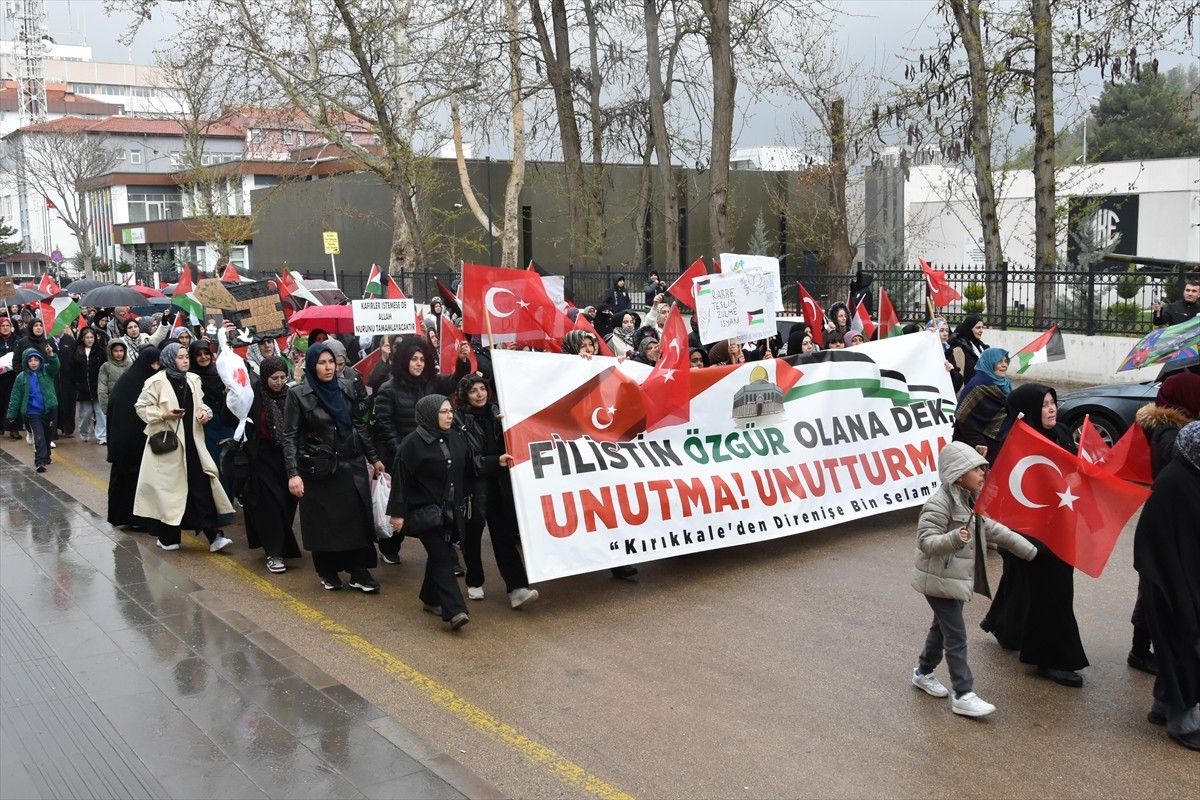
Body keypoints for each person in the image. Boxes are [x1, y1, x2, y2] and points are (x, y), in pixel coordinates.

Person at [910, 441, 1038, 718]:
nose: (983, 474)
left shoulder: (968, 500)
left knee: (941, 630)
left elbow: (992, 529)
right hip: (939, 580)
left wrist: (1028, 550)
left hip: (953, 579)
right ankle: (963, 694)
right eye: (977, 469)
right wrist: (954, 538)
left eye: (983, 469)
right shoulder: (939, 503)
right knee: (956, 635)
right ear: (958, 475)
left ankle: (923, 672)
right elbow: (926, 541)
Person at [979, 383, 1089, 687]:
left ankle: (1005, 626)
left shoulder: (1063, 431)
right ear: (1028, 410)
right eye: (1044, 405)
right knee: (1053, 591)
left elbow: (1076, 467)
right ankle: (1051, 658)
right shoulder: (1018, 443)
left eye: (1053, 402)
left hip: (1062, 523)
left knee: (1021, 581)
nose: (1052, 409)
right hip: (1031, 529)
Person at [283, 343, 386, 593]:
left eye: (331, 362)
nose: (328, 368)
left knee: (356, 519)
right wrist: (293, 474)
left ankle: (358, 571)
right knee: (325, 524)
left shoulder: (345, 387)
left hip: (351, 464)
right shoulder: (298, 395)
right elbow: (290, 436)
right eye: (322, 363)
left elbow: (357, 425)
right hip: (320, 468)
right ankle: (327, 571)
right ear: (311, 365)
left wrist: (374, 458)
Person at [1127, 370, 1200, 675]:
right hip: (1166, 522)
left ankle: (1145, 647)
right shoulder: (1170, 433)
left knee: (1155, 587)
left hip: (1169, 518)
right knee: (1154, 587)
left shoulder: (1174, 428)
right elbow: (1177, 466)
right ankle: (1140, 650)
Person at [1133, 420, 1200, 750]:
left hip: (1175, 577)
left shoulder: (1187, 477)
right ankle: (1181, 723)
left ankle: (1163, 707)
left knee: (1178, 647)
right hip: (1171, 579)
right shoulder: (1178, 484)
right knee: (1188, 647)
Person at [133, 342, 234, 553]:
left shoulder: (193, 380)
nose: (185, 360)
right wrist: (163, 415)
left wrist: (205, 413)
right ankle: (168, 537)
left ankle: (214, 535)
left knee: (202, 488)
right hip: (169, 446)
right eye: (180, 357)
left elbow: (201, 404)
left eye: (186, 356)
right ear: (170, 359)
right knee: (170, 493)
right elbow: (141, 408)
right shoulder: (155, 382)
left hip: (193, 445)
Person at [387, 395, 472, 629]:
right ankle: (455, 610)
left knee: (439, 555)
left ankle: (430, 598)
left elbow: (470, 465)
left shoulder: (454, 437)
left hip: (449, 510)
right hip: (424, 512)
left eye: (450, 411)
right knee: (444, 557)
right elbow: (400, 480)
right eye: (443, 412)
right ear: (429, 415)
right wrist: (397, 513)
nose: (449, 416)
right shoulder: (411, 444)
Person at [456, 376, 540, 608]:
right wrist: (495, 462)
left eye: (483, 389)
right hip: (474, 490)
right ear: (465, 394)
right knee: (472, 537)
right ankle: (474, 580)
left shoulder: (498, 412)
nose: (480, 394)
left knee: (503, 537)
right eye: (473, 391)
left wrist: (508, 425)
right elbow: (467, 460)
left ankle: (517, 588)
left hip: (499, 488)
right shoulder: (458, 419)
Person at [236, 355, 302, 574]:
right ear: (265, 377)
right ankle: (274, 552)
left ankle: (280, 542)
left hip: (287, 457)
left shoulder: (291, 395)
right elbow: (234, 419)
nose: (280, 382)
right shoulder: (252, 396)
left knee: (286, 503)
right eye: (275, 378)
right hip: (262, 458)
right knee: (270, 506)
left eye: (283, 377)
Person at [106, 346, 160, 530]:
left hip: (138, 438)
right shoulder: (131, 382)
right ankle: (129, 518)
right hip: (128, 440)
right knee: (129, 478)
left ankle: (138, 519)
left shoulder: (137, 379)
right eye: (153, 363)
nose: (156, 367)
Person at [952, 348, 1012, 464]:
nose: (1004, 365)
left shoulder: (1005, 383)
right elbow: (963, 416)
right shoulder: (977, 385)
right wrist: (978, 442)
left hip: (1000, 441)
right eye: (999, 362)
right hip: (979, 446)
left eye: (1006, 361)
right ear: (989, 362)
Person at [5, 347, 60, 473]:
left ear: (40, 360)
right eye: (30, 361)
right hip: (32, 413)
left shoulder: (46, 370)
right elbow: (15, 397)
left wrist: (51, 355)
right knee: (38, 436)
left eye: (36, 360)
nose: (34, 363)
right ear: (26, 362)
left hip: (48, 410)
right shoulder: (21, 377)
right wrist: (11, 414)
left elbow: (55, 366)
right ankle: (40, 461)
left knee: (47, 435)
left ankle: (46, 455)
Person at [72, 327, 107, 443]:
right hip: (83, 388)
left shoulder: (100, 352)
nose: (89, 340)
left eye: (91, 337)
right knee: (85, 412)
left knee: (100, 412)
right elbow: (73, 369)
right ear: (82, 339)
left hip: (97, 387)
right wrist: (77, 383)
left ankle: (101, 436)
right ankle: (84, 432)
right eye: (87, 337)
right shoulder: (77, 352)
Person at [96, 338, 132, 441]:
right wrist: (106, 408)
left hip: (128, 405)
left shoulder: (130, 366)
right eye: (116, 351)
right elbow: (102, 389)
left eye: (121, 351)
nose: (119, 354)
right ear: (110, 352)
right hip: (113, 405)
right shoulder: (105, 367)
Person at [0, 317, 23, 440]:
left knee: (14, 402)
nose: (5, 328)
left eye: (7, 325)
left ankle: (14, 428)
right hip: (0, 378)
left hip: (13, 376)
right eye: (2, 326)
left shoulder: (18, 340)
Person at [948, 316, 988, 385]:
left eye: (982, 327)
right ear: (969, 328)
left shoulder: (982, 346)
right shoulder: (960, 347)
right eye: (978, 328)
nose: (981, 330)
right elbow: (960, 375)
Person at [926, 317, 962, 393]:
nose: (945, 334)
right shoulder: (926, 349)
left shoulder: (948, 351)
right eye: (941, 331)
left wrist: (951, 371)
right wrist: (926, 336)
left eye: (947, 331)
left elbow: (957, 381)